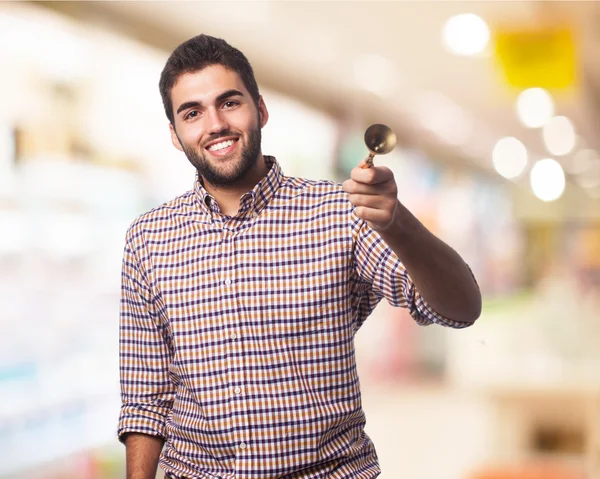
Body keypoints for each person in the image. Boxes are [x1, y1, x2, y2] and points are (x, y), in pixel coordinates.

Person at [118, 34, 482, 479]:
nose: (214, 124)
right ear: (176, 135)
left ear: (261, 110)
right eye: (192, 113)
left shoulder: (339, 213)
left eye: (229, 102)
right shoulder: (147, 239)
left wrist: (397, 222)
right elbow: (146, 398)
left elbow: (461, 309)